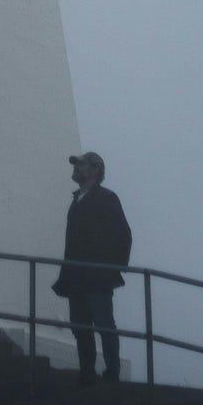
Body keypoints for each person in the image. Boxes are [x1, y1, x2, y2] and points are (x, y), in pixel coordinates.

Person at [51, 151, 131, 383]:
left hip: (98, 276)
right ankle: (87, 371)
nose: (76, 168)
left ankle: (111, 372)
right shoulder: (77, 201)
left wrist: (113, 267)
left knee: (104, 324)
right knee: (81, 326)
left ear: (95, 170)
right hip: (76, 275)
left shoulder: (107, 198)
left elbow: (123, 234)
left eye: (82, 164)